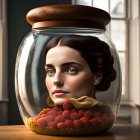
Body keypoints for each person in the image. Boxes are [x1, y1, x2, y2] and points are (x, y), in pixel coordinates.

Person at [44, 35, 116, 107]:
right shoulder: (42, 117)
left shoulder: (102, 116)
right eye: (51, 71)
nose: (56, 80)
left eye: (71, 70)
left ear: (97, 77)